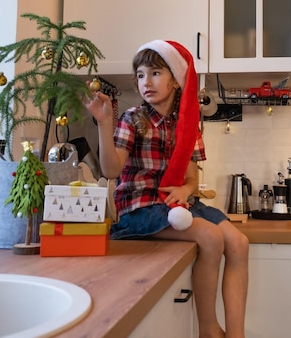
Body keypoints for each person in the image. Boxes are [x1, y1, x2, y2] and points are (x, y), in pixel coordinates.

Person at [83, 39, 249, 338]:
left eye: (156, 73)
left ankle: (236, 334)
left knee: (238, 243)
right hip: (139, 208)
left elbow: (192, 179)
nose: (146, 81)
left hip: (175, 205)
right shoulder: (133, 119)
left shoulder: (187, 125)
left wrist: (186, 190)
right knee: (210, 236)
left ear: (175, 80)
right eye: (141, 75)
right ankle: (209, 330)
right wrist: (104, 124)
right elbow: (110, 170)